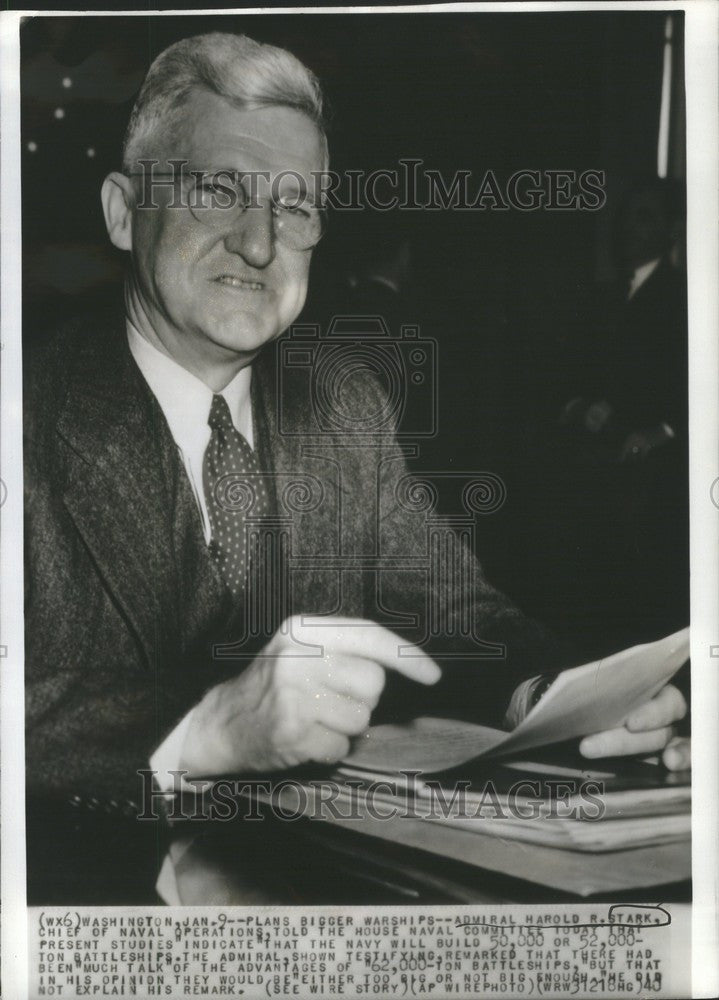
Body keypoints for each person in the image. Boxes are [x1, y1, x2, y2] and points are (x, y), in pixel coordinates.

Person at [24, 33, 689, 902]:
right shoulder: (24, 410)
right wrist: (203, 728)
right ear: (123, 211)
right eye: (219, 187)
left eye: (295, 206)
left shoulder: (343, 403)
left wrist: (563, 699)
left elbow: (457, 611)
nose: (259, 243)